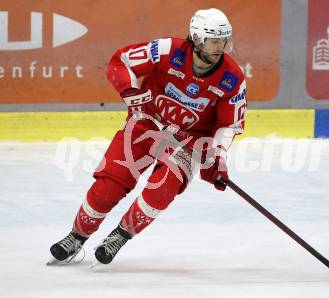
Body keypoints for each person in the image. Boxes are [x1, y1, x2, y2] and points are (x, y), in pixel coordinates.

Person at [49, 8, 247, 265]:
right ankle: (77, 236)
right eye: (214, 40)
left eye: (224, 40)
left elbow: (228, 125)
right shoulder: (168, 49)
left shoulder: (233, 78)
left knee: (161, 189)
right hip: (146, 122)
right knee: (110, 183)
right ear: (197, 39)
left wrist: (216, 159)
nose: (220, 46)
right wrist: (128, 88)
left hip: (189, 141)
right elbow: (121, 61)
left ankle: (120, 235)